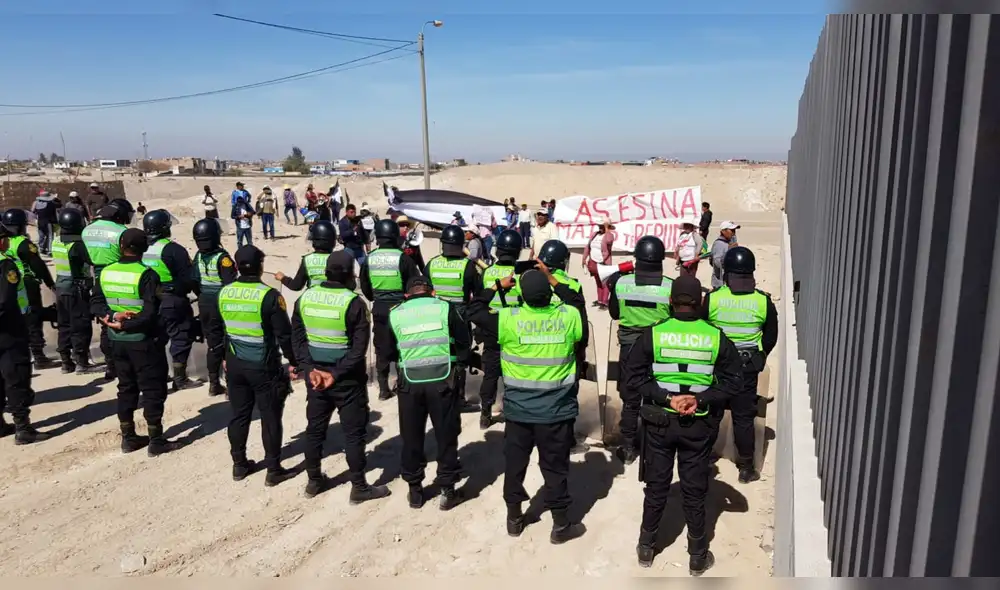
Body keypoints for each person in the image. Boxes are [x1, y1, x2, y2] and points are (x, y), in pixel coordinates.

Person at [622, 274, 743, 574]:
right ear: (701, 302)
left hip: (660, 424)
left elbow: (633, 378)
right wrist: (699, 400)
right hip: (698, 425)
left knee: (656, 486)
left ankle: (646, 547)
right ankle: (697, 554)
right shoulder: (716, 336)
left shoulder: (654, 334)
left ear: (671, 301)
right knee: (694, 489)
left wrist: (665, 398)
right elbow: (734, 382)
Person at [467, 262, 587, 543]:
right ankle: (560, 525)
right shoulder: (568, 316)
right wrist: (552, 278)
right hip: (556, 412)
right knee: (555, 468)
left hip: (519, 412)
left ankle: (514, 518)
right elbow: (577, 301)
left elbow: (474, 310)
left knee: (515, 465)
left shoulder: (508, 319)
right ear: (549, 292)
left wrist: (496, 286)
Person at [291, 251, 390, 502]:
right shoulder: (354, 303)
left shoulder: (304, 299)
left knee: (314, 430)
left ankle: (314, 481)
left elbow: (298, 340)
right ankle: (359, 486)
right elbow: (359, 349)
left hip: (316, 378)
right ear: (349, 275)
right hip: (346, 380)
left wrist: (309, 369)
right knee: (354, 433)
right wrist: (334, 374)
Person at [92, 228, 181, 455]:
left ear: (121, 247)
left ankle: (128, 437)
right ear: (144, 249)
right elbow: (150, 313)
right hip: (143, 341)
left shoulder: (106, 272)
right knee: (152, 388)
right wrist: (126, 324)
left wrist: (112, 318)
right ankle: (156, 439)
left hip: (116, 341)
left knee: (126, 387)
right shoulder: (147, 275)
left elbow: (95, 303)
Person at [387, 275, 470, 510]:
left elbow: (388, 349)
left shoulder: (396, 313)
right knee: (446, 434)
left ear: (407, 295)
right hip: (443, 380)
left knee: (412, 435)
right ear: (432, 292)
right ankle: (447, 489)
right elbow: (464, 341)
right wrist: (459, 363)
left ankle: (415, 490)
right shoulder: (445, 307)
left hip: (409, 382)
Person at [218, 245, 298, 486]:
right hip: (263, 365)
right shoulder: (270, 295)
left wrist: (223, 356)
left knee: (239, 415)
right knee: (270, 416)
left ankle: (239, 464)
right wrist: (295, 361)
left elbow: (223, 329)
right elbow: (284, 335)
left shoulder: (225, 292)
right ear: (261, 266)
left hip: (234, 362)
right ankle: (273, 469)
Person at [703, 246, 778, 484]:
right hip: (746, 368)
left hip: (717, 368)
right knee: (743, 418)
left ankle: (703, 458)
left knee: (713, 413)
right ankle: (746, 467)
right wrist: (760, 355)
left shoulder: (713, 299)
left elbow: (703, 329)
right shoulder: (763, 302)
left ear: (727, 273)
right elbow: (770, 336)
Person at [607, 236, 673, 465]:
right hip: (658, 350)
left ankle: (627, 447)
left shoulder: (621, 283)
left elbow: (615, 314)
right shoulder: (669, 286)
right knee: (655, 396)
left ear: (637, 260)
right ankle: (653, 445)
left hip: (629, 347)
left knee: (631, 398)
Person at [359, 219, 422, 401]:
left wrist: (375, 298)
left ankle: (383, 389)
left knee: (381, 348)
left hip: (379, 307)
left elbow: (364, 284)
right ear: (395, 235)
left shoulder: (369, 258)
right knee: (404, 346)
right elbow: (415, 283)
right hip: (401, 308)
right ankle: (403, 384)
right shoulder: (403, 258)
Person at [0, 221, 50, 444]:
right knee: (16, 375)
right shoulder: (5, 265)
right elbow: (5, 301)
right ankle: (23, 427)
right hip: (8, 329)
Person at [142, 209, 202, 391]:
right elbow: (189, 278)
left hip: (149, 301)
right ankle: (180, 378)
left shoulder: (139, 247)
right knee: (181, 337)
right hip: (173, 300)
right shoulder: (173, 249)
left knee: (156, 339)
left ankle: (159, 376)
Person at [426, 224, 481, 412]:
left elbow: (424, 290)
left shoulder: (432, 263)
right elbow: (479, 295)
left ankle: (438, 396)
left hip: (436, 317)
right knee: (460, 359)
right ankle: (458, 399)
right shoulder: (468, 266)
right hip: (460, 318)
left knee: (439, 356)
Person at [82, 198, 134, 382]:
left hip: (97, 276)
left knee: (105, 320)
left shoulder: (87, 229)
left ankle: (110, 366)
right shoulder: (121, 232)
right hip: (119, 274)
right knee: (126, 317)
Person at [475, 228, 522, 429]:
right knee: (515, 373)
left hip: (492, 328)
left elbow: (480, 298)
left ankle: (485, 413)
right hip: (516, 328)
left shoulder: (487, 272)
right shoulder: (522, 273)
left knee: (490, 374)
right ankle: (514, 412)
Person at [1, 208, 59, 369]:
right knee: (34, 318)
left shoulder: (4, 242)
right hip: (28, 284)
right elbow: (38, 265)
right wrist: (50, 283)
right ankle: (39, 356)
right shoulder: (23, 243)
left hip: (10, 285)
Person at [190, 218, 237, 397]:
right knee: (229, 343)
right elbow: (230, 284)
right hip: (221, 303)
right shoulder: (223, 258)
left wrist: (203, 295)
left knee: (213, 345)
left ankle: (214, 383)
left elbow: (194, 280)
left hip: (205, 302)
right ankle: (231, 385)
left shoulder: (198, 256)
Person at [52, 208, 101, 374]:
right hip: (76, 289)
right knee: (80, 325)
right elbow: (91, 260)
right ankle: (81, 362)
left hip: (60, 288)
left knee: (64, 325)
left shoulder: (56, 241)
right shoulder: (78, 245)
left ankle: (66, 362)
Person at [276, 220, 336, 292]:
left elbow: (296, 286)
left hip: (312, 300)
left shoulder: (307, 260)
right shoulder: (340, 259)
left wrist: (283, 278)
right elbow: (351, 285)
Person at [582, 217, 615, 308]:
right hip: (593, 260)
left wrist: (607, 228)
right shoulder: (594, 234)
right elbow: (588, 246)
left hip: (603, 262)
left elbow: (608, 241)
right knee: (598, 281)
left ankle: (604, 302)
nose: (600, 228)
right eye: (599, 226)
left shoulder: (610, 235)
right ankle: (600, 300)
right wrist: (584, 258)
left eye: (602, 226)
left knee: (605, 282)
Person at [709, 221, 740, 290]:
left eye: (734, 230)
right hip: (720, 283)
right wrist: (729, 252)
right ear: (723, 231)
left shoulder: (731, 242)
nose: (734, 232)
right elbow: (717, 263)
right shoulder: (719, 244)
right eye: (731, 230)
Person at [32, 190, 59, 256]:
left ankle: (41, 248)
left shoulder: (36, 203)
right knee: (50, 236)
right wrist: (56, 222)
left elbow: (33, 211)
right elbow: (54, 214)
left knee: (41, 236)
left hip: (40, 222)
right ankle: (50, 251)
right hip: (48, 223)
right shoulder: (51, 204)